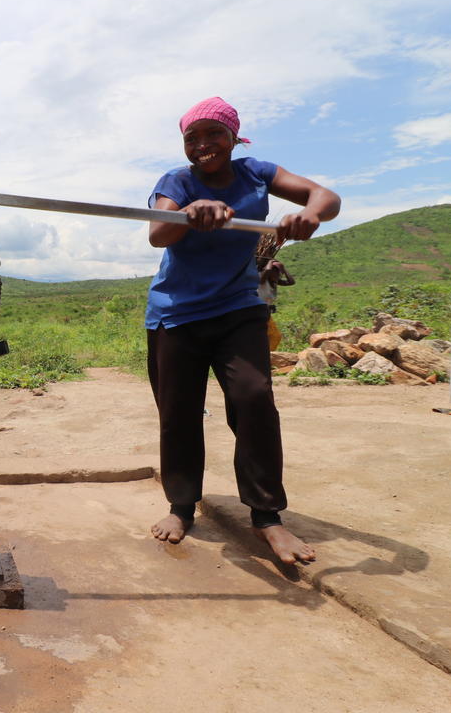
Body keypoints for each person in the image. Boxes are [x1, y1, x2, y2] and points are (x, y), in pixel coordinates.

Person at [145, 96, 340, 564]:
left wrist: (309, 213)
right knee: (179, 412)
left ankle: (267, 517)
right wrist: (192, 211)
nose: (203, 144)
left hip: (239, 308)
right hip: (176, 313)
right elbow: (157, 233)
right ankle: (181, 506)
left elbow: (327, 198)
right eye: (192, 137)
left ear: (234, 138)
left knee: (254, 400)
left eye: (214, 134)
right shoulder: (178, 181)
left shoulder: (258, 173)